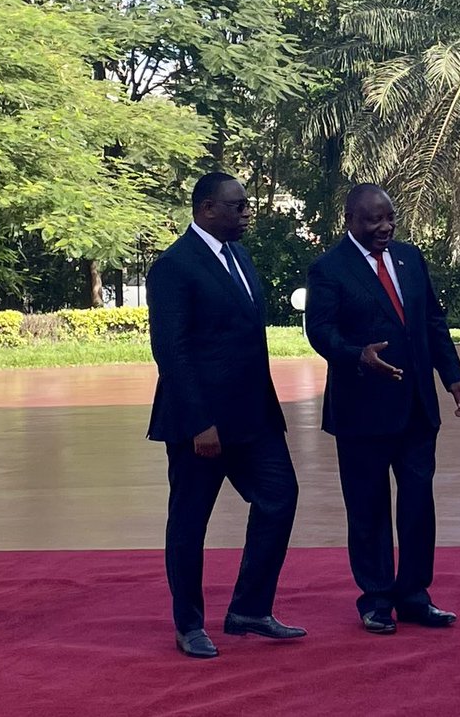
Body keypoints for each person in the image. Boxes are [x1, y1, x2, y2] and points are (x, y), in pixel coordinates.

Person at [147, 171, 305, 659]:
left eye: (246, 204)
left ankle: (249, 609)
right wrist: (199, 422)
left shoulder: (239, 254)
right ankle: (188, 625)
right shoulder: (174, 267)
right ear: (206, 209)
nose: (246, 212)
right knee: (191, 521)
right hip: (201, 423)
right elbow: (170, 350)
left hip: (253, 416)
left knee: (280, 497)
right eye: (237, 206)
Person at [304, 184, 460, 635]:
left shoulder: (410, 259)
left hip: (417, 408)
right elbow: (319, 332)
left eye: (389, 218)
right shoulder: (328, 269)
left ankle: (415, 596)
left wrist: (452, 375)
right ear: (350, 221)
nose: (384, 227)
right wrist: (358, 354)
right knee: (368, 508)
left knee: (418, 503)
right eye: (373, 220)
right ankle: (376, 599)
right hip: (362, 410)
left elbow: (432, 321)